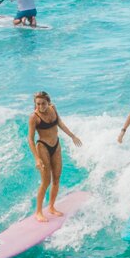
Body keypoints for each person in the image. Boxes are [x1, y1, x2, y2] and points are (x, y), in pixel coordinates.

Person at [28, 91, 82, 221]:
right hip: (43, 147)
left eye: (43, 103)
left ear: (49, 102)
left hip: (56, 146)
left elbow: (60, 123)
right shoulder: (34, 117)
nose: (41, 107)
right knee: (46, 181)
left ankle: (51, 207)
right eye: (38, 104)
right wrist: (37, 158)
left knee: (56, 179)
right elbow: (30, 139)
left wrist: (72, 136)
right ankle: (39, 212)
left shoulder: (53, 109)